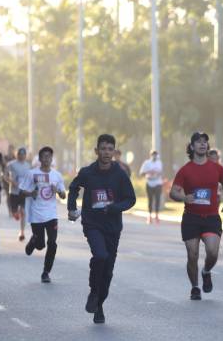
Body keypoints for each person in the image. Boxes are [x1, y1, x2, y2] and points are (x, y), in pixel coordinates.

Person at [68, 134, 136, 324]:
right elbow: (73, 188)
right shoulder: (87, 172)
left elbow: (130, 199)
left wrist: (114, 207)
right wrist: (72, 208)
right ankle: (93, 291)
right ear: (96, 151)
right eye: (103, 149)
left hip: (113, 227)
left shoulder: (120, 174)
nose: (106, 152)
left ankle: (99, 304)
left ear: (114, 152)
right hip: (92, 224)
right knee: (100, 256)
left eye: (110, 149)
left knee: (108, 271)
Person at [170, 132, 223, 300]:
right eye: (198, 142)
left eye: (205, 142)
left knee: (212, 252)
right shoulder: (185, 170)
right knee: (192, 254)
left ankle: (206, 271)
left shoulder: (216, 168)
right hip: (191, 217)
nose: (202, 144)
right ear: (192, 147)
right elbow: (173, 192)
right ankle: (195, 287)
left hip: (211, 217)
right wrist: (184, 197)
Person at [21, 147, 66, 283]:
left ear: (52, 159)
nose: (46, 159)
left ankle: (46, 272)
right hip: (36, 215)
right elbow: (22, 190)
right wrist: (30, 193)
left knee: (52, 243)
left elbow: (63, 195)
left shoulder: (57, 175)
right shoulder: (31, 174)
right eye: (44, 157)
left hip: (51, 215)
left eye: (49, 157)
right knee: (40, 245)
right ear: (40, 159)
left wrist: (57, 190)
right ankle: (34, 240)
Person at [7, 147, 32, 241]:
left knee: (23, 212)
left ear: (25, 155)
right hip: (13, 191)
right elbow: (4, 175)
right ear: (16, 155)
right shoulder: (11, 164)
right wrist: (11, 181)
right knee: (14, 211)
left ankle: (22, 232)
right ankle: (14, 213)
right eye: (19, 154)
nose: (21, 156)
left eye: (23, 154)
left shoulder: (28, 165)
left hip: (24, 191)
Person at [139, 150, 164, 224]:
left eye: (156, 155)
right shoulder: (147, 163)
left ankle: (156, 216)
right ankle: (149, 216)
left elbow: (161, 172)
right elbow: (141, 173)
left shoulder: (159, 163)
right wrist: (148, 172)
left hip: (158, 183)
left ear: (157, 155)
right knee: (150, 200)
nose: (154, 156)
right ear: (150, 155)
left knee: (157, 200)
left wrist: (158, 173)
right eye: (153, 155)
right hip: (149, 183)